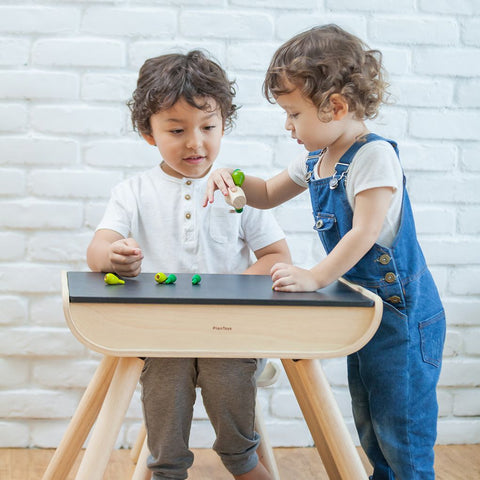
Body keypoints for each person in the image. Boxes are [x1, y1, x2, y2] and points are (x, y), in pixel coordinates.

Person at [204, 25, 446, 480]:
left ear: (334, 105)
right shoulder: (316, 160)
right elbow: (268, 192)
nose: (288, 126)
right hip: (368, 310)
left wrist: (315, 276)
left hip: (405, 316)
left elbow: (363, 234)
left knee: (403, 428)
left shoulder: (375, 158)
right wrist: (232, 176)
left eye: (293, 114)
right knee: (371, 419)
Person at [87, 50, 291, 480]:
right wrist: (114, 256)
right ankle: (166, 468)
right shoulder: (134, 191)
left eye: (209, 127)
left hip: (229, 333)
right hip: (164, 334)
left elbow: (276, 258)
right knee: (164, 379)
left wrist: (232, 289)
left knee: (226, 376)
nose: (195, 143)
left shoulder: (241, 189)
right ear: (149, 133)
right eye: (176, 130)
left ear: (224, 126)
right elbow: (97, 248)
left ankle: (242, 460)